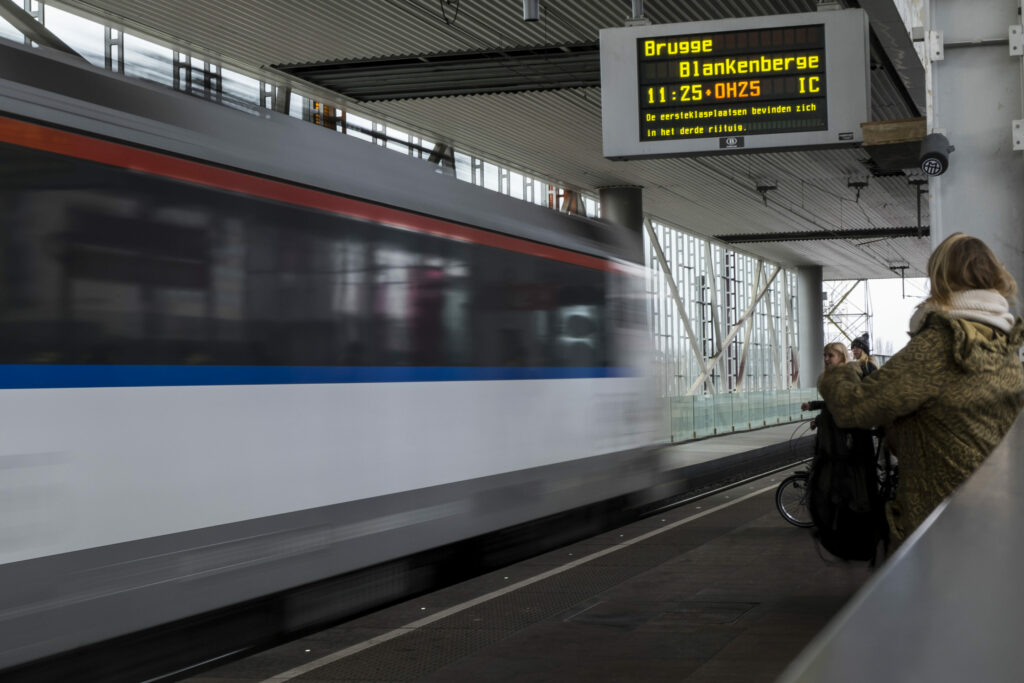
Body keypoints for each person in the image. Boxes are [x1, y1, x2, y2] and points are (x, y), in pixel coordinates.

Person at [818, 232, 1024, 548]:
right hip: (995, 515)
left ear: (940, 278)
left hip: (939, 524)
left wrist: (840, 373)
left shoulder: (939, 345)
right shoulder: (1005, 345)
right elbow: (954, 425)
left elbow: (851, 407)